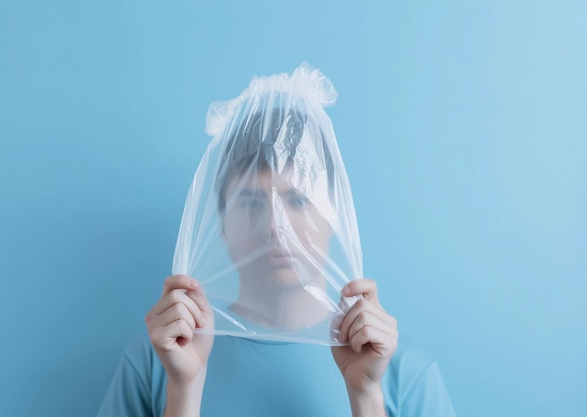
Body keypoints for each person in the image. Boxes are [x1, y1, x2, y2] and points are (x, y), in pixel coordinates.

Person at [97, 64, 456, 417]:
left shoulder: (402, 372)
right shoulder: (159, 358)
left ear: (334, 219)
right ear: (220, 222)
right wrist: (184, 390)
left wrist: (366, 396)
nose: (275, 225)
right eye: (251, 203)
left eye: (298, 200)